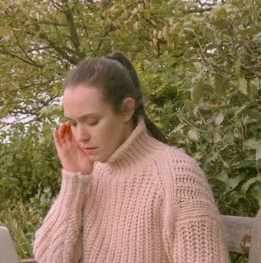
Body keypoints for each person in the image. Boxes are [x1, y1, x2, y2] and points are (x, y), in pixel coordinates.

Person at [32, 53, 229, 263]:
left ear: (127, 110)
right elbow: (49, 259)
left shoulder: (176, 177)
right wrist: (74, 178)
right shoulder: (91, 175)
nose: (80, 136)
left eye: (92, 121)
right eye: (72, 123)